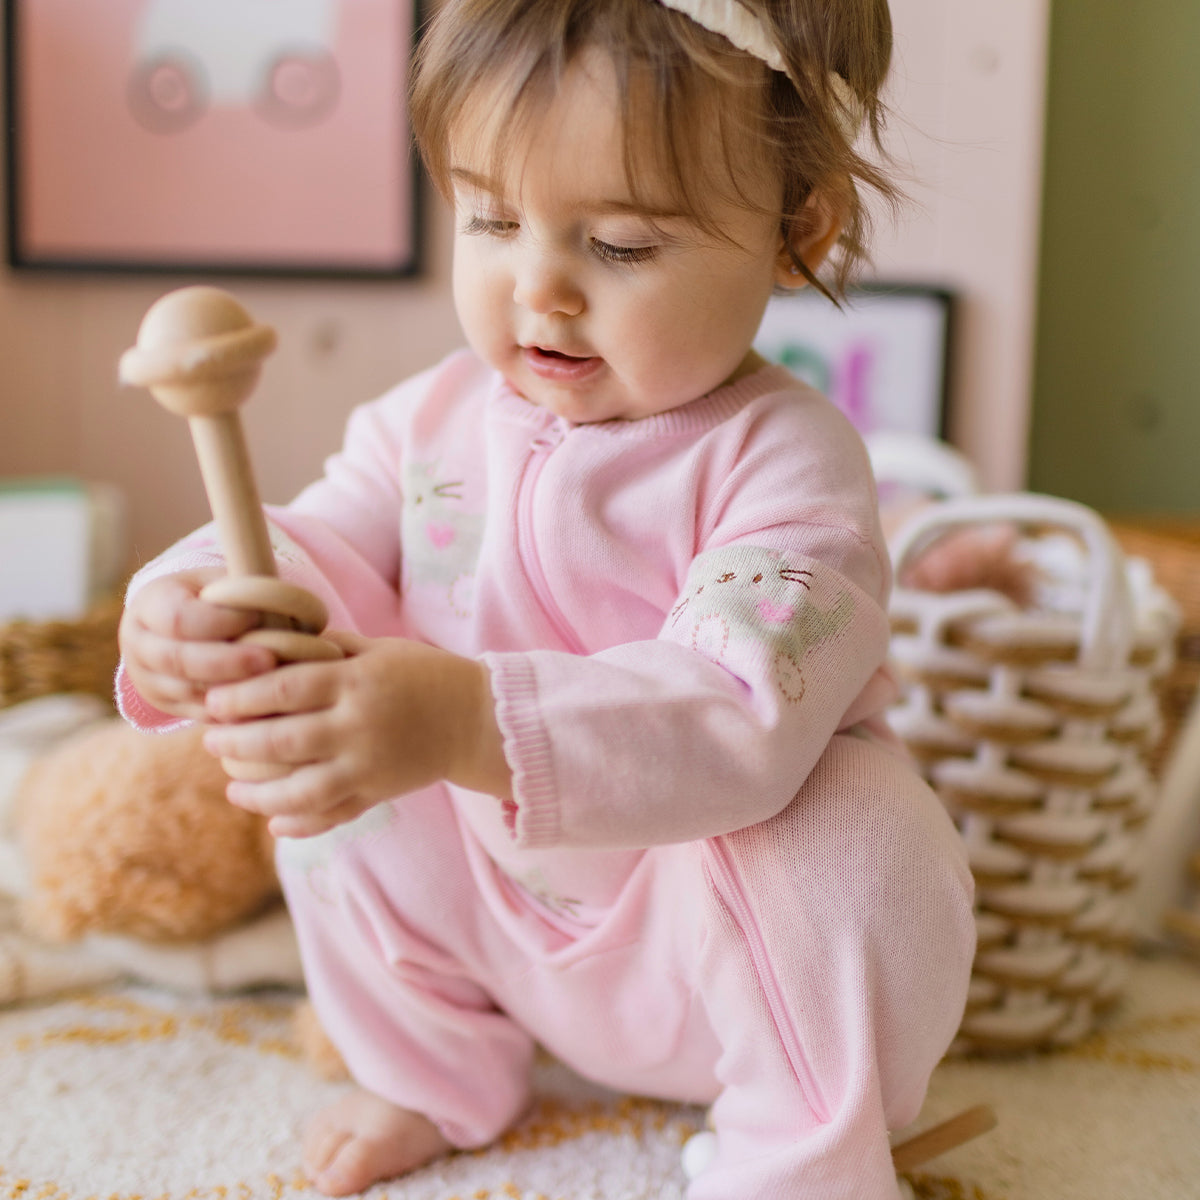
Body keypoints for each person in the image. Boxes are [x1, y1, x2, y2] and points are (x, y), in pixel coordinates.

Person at [117, 1, 976, 1196]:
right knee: (319, 741)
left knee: (860, 827)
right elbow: (316, 545)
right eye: (492, 218)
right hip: (499, 913)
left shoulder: (788, 464)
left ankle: (801, 1149)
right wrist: (201, 604)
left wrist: (473, 721)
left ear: (799, 232)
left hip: (714, 945)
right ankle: (431, 1070)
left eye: (620, 246)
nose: (540, 290)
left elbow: (737, 708)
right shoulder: (427, 422)